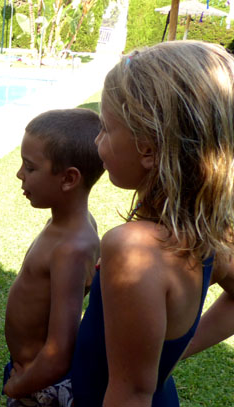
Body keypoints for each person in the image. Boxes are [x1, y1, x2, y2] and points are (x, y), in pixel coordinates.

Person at [70, 40, 234, 406]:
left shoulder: (132, 248)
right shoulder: (208, 232)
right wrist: (166, 353)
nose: (97, 141)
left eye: (105, 128)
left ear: (147, 148)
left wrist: (166, 354)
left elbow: (130, 395)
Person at [3, 109, 104, 406]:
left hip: (41, 383)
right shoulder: (64, 225)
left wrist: (18, 387)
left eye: (30, 167)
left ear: (69, 178)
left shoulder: (70, 249)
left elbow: (60, 351)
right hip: (31, 373)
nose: (20, 174)